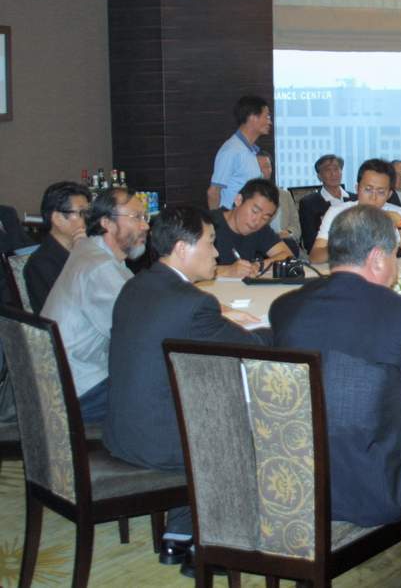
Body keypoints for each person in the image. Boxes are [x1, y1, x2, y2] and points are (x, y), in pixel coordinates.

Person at [270, 205, 401, 587]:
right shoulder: (399, 313)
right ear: (377, 257)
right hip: (375, 489)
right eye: (394, 254)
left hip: (295, 483)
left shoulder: (286, 307)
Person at [102, 205, 269, 575]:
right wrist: (278, 326)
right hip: (159, 444)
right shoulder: (194, 303)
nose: (217, 253)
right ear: (182, 248)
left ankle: (179, 536)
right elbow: (252, 349)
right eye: (210, 243)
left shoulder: (136, 284)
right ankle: (217, 547)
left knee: (196, 403)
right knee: (241, 423)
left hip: (121, 430)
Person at [41, 188, 149, 423]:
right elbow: (139, 336)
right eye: (136, 217)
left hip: (66, 376)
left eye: (145, 217)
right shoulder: (100, 267)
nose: (145, 226)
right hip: (79, 390)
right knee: (167, 392)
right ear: (106, 223)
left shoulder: (90, 249)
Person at [308, 158, 401, 263]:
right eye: (368, 190)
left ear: (389, 194)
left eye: (381, 192)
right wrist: (344, 244)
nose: (373, 197)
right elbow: (315, 257)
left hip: (384, 272)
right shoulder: (337, 212)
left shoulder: (395, 212)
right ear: (357, 189)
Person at [24, 181, 92, 311]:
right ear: (57, 219)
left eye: (89, 212)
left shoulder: (84, 248)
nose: (88, 219)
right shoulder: (40, 263)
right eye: (82, 213)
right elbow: (65, 309)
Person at [210, 178, 294, 278]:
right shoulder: (207, 223)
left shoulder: (260, 229)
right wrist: (228, 271)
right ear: (238, 200)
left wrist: (258, 266)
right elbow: (192, 269)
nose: (257, 221)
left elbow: (287, 255)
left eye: (265, 218)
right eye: (254, 211)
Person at [207, 95, 270, 209]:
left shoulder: (251, 151)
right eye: (266, 116)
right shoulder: (231, 150)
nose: (269, 122)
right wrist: (217, 219)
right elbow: (213, 193)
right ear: (252, 117)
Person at [298, 154, 355, 252]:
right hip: (327, 253)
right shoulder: (308, 203)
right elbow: (310, 241)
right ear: (319, 176)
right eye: (328, 170)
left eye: (336, 169)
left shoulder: (355, 199)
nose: (333, 174)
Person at [256, 150, 301, 255]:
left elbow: (297, 228)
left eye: (266, 166)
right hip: (259, 246)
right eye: (258, 167)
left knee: (290, 246)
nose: (262, 171)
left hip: (284, 242)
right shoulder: (245, 197)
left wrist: (288, 233)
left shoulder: (284, 195)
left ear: (271, 169)